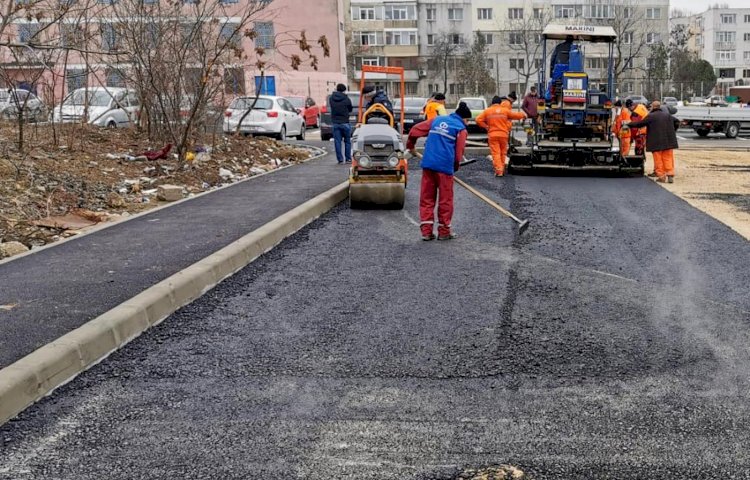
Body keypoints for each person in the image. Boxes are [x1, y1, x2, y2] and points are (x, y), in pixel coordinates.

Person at [406, 102, 472, 241]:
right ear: (464, 118)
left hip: (428, 164)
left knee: (427, 198)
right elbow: (458, 153)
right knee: (445, 200)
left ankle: (426, 232)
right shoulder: (461, 129)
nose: (467, 123)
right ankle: (444, 231)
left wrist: (410, 146)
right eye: (467, 120)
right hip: (444, 168)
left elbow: (414, 131)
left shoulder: (437, 120)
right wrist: (454, 168)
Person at [627, 100, 680, 184]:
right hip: (668, 141)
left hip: (656, 141)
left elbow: (640, 124)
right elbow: (677, 121)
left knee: (658, 159)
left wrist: (629, 124)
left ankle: (661, 177)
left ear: (653, 107)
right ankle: (670, 175)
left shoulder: (651, 116)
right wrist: (673, 130)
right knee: (668, 158)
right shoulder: (667, 115)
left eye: (651, 106)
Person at [476, 92, 527, 177]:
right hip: (503, 135)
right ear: (500, 103)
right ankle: (502, 168)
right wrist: (523, 115)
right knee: (503, 153)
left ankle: (499, 171)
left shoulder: (487, 111)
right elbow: (515, 115)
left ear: (492, 103)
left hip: (493, 135)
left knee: (496, 153)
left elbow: (478, 119)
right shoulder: (505, 110)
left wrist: (486, 127)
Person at [328, 83, 353, 164]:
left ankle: (340, 159)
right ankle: (348, 158)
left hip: (335, 122)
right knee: (347, 141)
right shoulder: (346, 99)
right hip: (345, 122)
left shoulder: (331, 98)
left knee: (337, 141)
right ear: (344, 90)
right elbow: (350, 109)